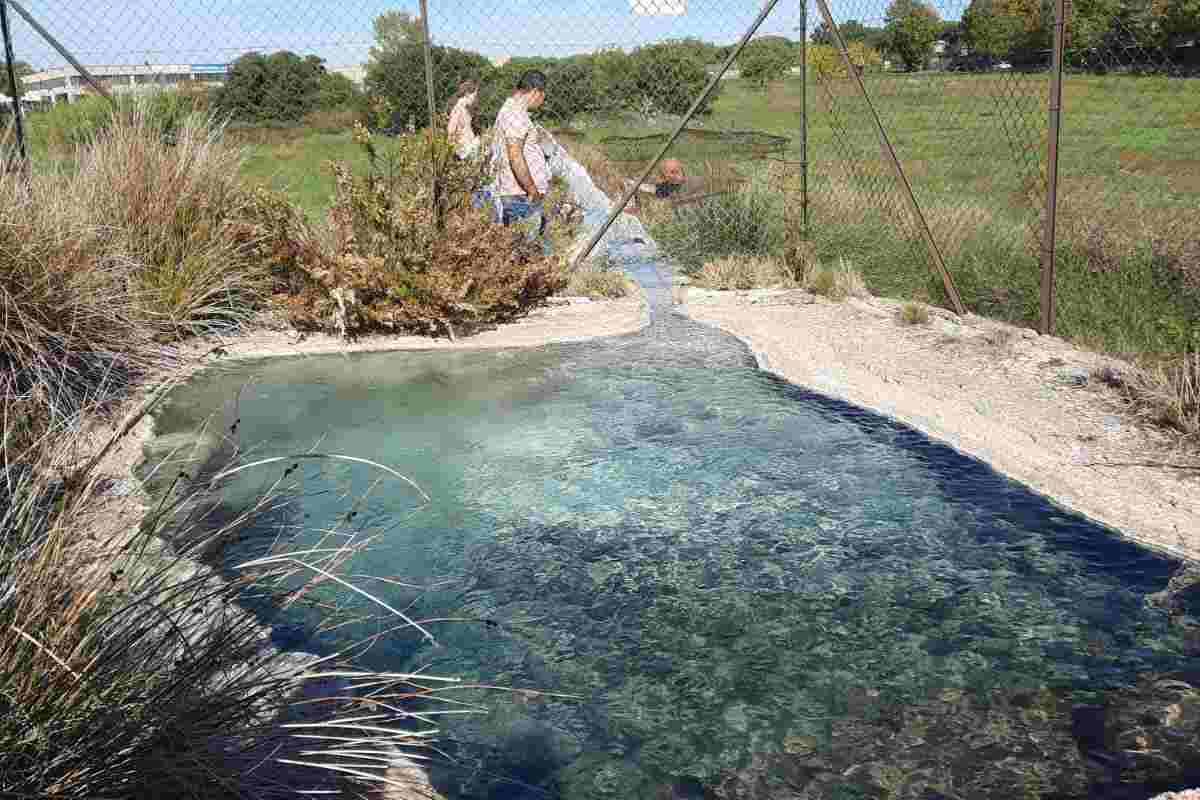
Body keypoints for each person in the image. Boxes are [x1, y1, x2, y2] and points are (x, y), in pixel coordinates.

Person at [490, 70, 551, 241]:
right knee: (529, 250)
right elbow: (515, 155)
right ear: (534, 92)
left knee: (527, 250)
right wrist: (532, 190)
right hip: (520, 195)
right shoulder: (515, 114)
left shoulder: (514, 111)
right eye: (542, 95)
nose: (543, 100)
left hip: (520, 194)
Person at [446, 80, 481, 161]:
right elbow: (451, 129)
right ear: (467, 94)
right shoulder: (458, 108)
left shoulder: (464, 108)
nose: (475, 99)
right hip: (463, 149)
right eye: (474, 95)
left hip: (466, 146)